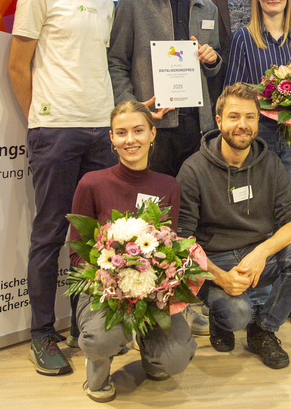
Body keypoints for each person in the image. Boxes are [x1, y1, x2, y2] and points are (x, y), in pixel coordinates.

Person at [8, 0, 117, 376]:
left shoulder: (105, 3)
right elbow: (18, 66)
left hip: (101, 130)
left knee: (92, 238)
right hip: (56, 133)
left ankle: (84, 324)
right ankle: (41, 333)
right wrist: (41, 118)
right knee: (50, 233)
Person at [177, 83, 291, 369]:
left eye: (249, 117)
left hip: (256, 254)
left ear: (258, 120)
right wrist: (220, 277)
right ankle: (221, 320)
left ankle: (263, 331)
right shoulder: (193, 170)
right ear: (219, 121)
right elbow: (181, 241)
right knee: (237, 314)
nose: (242, 125)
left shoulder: (270, 163)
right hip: (212, 260)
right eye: (233, 117)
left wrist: (262, 252)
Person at [69, 101, 198, 402]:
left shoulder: (168, 185)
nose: (131, 140)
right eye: (122, 133)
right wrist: (110, 277)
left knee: (176, 358)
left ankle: (153, 358)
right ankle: (97, 373)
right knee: (102, 339)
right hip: (104, 289)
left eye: (138, 130)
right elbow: (75, 254)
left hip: (150, 292)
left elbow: (169, 247)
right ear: (112, 139)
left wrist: (155, 279)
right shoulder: (92, 183)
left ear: (153, 133)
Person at [224, 0, 291, 326]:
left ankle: (289, 297)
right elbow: (233, 92)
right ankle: (262, 297)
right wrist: (267, 97)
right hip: (260, 139)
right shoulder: (243, 39)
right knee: (261, 219)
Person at [107, 0, 221, 182]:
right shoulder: (132, 3)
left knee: (193, 205)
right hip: (154, 125)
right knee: (150, 205)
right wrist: (133, 110)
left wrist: (212, 59)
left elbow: (213, 59)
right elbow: (116, 63)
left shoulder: (208, 8)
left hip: (197, 127)